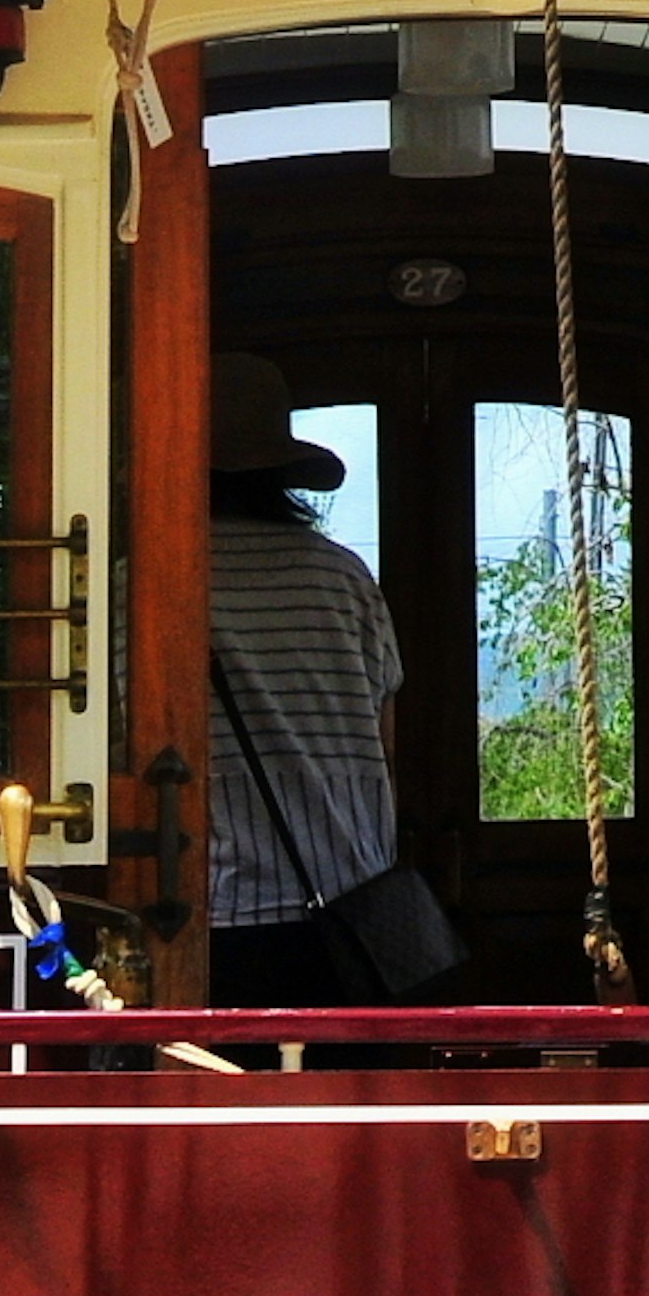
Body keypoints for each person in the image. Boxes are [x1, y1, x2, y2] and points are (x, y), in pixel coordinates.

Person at [203, 351, 459, 1006]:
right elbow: (386, 742)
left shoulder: (147, 586)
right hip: (354, 917)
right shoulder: (346, 579)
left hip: (218, 912)